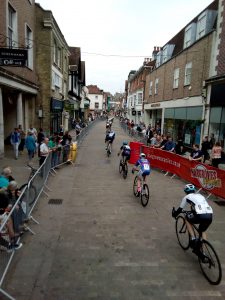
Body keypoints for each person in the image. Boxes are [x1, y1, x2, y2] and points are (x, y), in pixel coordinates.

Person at [172, 184, 213, 260]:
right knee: (202, 231)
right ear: (194, 190)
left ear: (185, 191)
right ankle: (203, 253)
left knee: (187, 218)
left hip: (200, 215)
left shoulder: (187, 197)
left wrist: (174, 214)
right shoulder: (201, 196)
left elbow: (180, 209)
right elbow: (199, 205)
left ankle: (193, 239)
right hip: (209, 215)